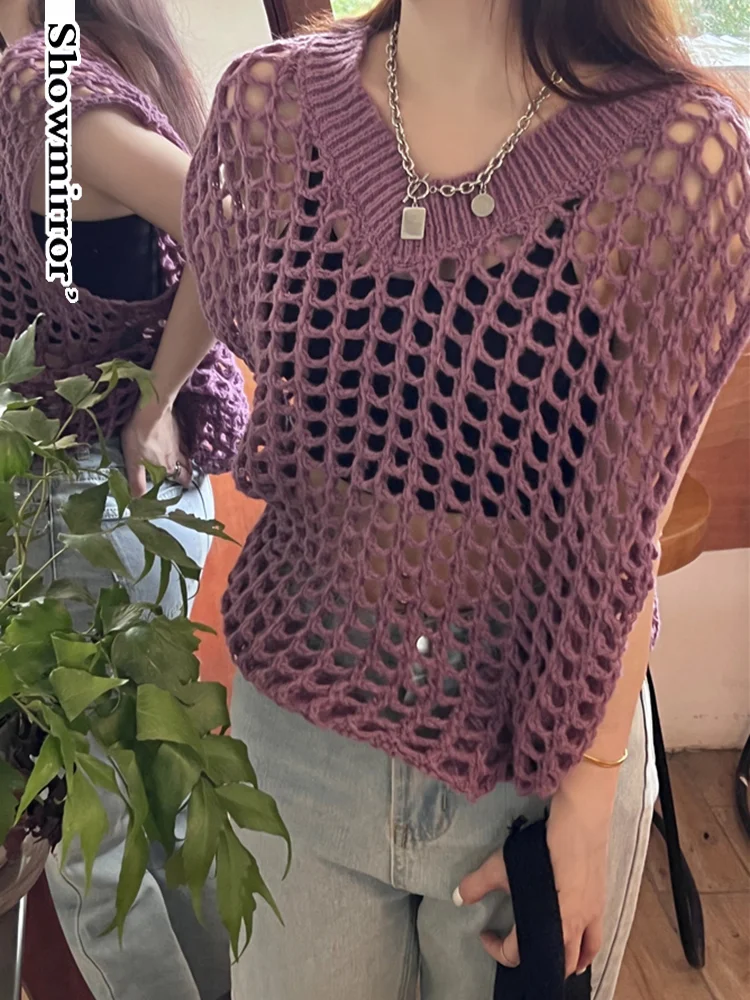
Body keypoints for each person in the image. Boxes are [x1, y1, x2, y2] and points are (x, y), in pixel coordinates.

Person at [183, 0, 749, 997]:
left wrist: (591, 796)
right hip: (301, 725)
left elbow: (628, 530)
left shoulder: (680, 159)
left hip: (540, 752)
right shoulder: (269, 108)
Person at [0, 2, 248, 999]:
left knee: (95, 843)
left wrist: (157, 397)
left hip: (86, 513)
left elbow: (229, 219)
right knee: (157, 803)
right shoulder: (80, 58)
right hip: (124, 505)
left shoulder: (42, 86)